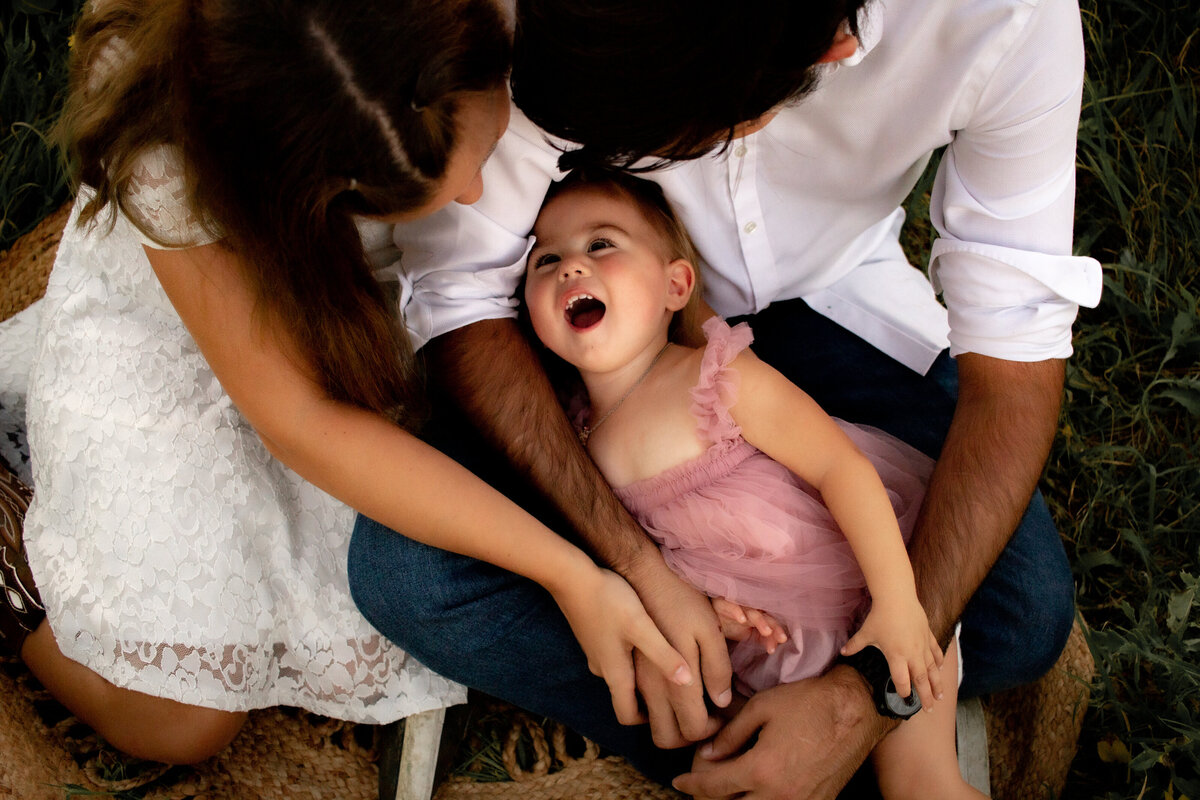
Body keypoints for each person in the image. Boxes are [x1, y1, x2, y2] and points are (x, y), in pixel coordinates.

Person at [351, 0, 1104, 795]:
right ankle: (736, 740)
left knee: (1025, 609)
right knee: (406, 572)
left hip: (839, 303)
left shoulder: (1006, 18)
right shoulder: (569, 22)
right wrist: (639, 573)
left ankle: (811, 739)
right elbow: (461, 296)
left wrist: (868, 695)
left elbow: (1014, 369)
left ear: (836, 48)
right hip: (607, 372)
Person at [0, 0, 690, 766]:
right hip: (208, 330)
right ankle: (17, 572)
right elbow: (299, 420)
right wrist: (569, 573)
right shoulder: (165, 120)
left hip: (384, 299)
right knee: (178, 721)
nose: (473, 196)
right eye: (449, 181)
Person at [523, 169, 989, 799]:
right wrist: (718, 608)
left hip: (867, 586)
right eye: (545, 259)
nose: (570, 267)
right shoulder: (576, 436)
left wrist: (902, 605)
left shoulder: (713, 376)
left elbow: (838, 467)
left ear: (675, 285)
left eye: (601, 244)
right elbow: (660, 555)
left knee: (919, 784)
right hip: (767, 651)